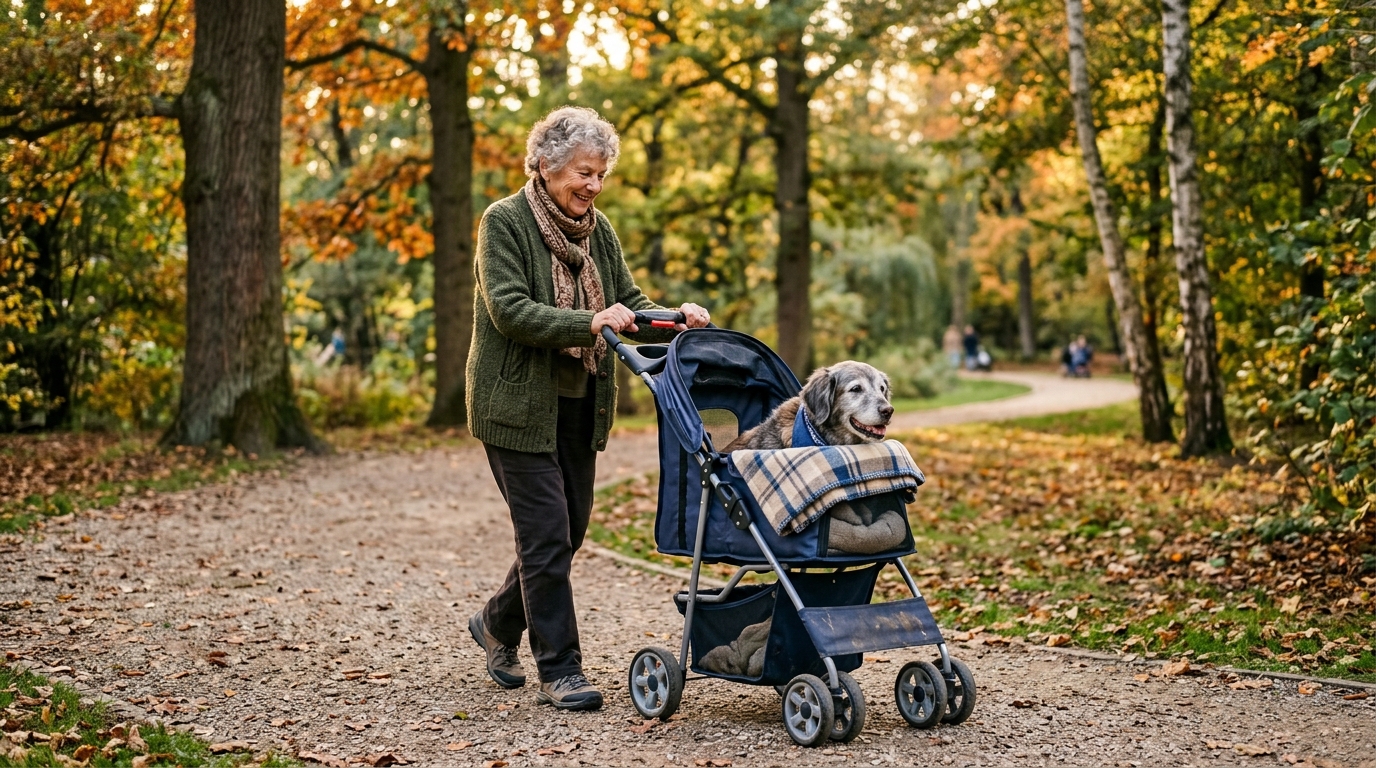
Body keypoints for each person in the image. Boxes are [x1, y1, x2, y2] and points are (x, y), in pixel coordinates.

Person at [464, 106, 709, 712]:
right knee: (546, 534)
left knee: (568, 532)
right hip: (515, 406)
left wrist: (675, 318)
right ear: (545, 166)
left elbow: (627, 302)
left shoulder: (599, 231)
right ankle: (562, 670)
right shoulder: (505, 223)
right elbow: (510, 310)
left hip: (579, 405)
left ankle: (496, 622)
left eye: (600, 174)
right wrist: (588, 320)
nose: (593, 186)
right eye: (582, 172)